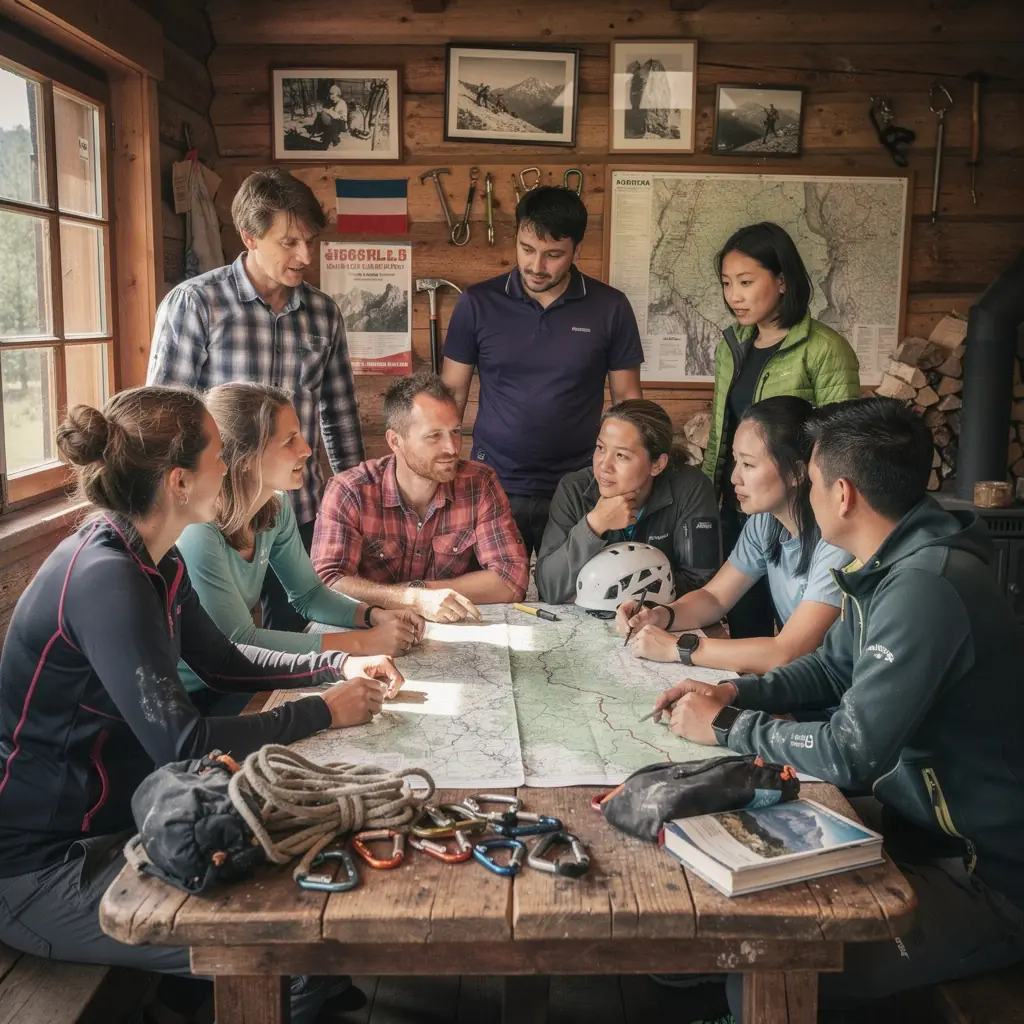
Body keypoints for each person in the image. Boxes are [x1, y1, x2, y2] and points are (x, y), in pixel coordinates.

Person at [0, 386, 402, 1023]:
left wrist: (336, 666)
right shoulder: (107, 578)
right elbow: (182, 744)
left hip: (123, 824)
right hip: (45, 867)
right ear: (179, 480)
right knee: (293, 952)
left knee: (316, 876)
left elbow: (225, 661)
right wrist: (324, 711)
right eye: (218, 455)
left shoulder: (153, 561)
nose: (227, 466)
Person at [655, 398, 1024, 1020]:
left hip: (984, 873)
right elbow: (830, 667)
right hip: (915, 823)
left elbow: (852, 752)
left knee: (762, 972)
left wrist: (726, 726)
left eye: (813, 479)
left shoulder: (924, 587)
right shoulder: (889, 561)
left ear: (843, 494)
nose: (808, 493)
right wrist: (736, 693)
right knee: (717, 851)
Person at [148, 168, 364, 636]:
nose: (305, 256)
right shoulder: (196, 303)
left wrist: (355, 499)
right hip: (214, 515)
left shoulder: (324, 313)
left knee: (298, 639)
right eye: (289, 242)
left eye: (309, 241)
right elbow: (164, 421)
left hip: (296, 509)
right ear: (249, 236)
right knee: (224, 645)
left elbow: (340, 414)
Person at [176, 382, 424, 713]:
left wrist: (373, 615)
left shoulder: (276, 509)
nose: (306, 449)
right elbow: (242, 640)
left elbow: (309, 595)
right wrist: (361, 644)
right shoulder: (198, 531)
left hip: (237, 680)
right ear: (247, 458)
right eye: (289, 441)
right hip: (188, 696)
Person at [442, 185, 644, 558]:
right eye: (527, 249)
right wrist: (443, 471)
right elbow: (450, 395)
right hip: (493, 481)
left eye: (553, 255)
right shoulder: (477, 303)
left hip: (578, 485)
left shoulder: (610, 308)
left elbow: (628, 403)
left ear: (577, 250)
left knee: (570, 587)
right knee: (491, 588)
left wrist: (624, 480)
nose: (536, 266)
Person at [616, 396, 852, 676]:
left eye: (748, 465)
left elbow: (787, 652)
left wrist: (678, 648)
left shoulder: (836, 541)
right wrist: (659, 615)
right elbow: (715, 598)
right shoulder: (765, 522)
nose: (734, 478)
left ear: (797, 473)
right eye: (735, 461)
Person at [702, 222, 859, 641]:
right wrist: (709, 493)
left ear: (783, 281)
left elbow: (842, 443)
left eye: (746, 282)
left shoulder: (825, 349)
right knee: (742, 616)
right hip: (740, 501)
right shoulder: (731, 347)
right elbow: (721, 431)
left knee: (800, 625)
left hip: (801, 512)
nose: (734, 295)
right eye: (727, 283)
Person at [313, 373, 529, 623]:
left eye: (455, 431)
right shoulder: (350, 491)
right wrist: (413, 599)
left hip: (455, 631)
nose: (452, 447)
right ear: (395, 441)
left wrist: (424, 591)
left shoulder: (479, 483)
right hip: (372, 631)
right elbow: (325, 584)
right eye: (434, 436)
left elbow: (511, 580)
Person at [536, 399, 720, 604]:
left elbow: (701, 583)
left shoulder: (691, 489)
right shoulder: (573, 489)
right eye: (600, 448)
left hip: (664, 618)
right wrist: (594, 525)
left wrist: (617, 597)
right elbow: (549, 588)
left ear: (658, 465)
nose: (604, 465)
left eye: (621, 455)